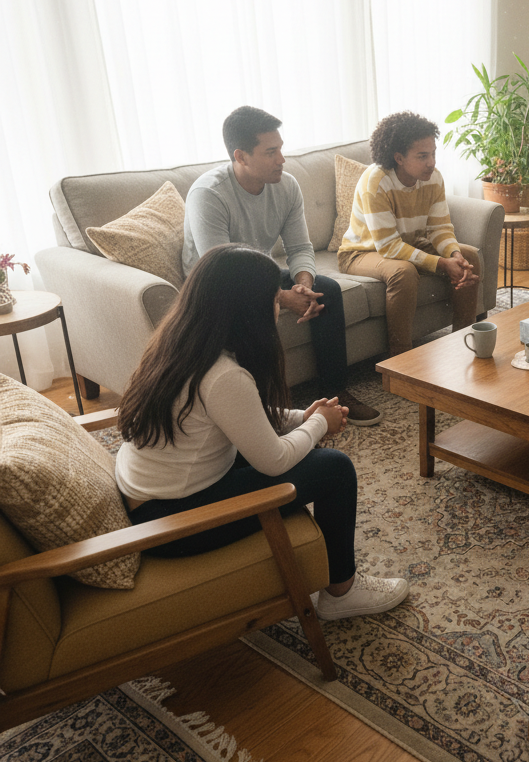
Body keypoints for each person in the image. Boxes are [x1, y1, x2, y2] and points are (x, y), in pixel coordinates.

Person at [116, 244, 408, 620]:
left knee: (295, 449)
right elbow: (274, 461)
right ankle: (342, 592)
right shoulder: (223, 375)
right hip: (176, 523)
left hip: (155, 499)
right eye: (273, 299)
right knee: (334, 469)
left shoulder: (179, 343)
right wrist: (320, 424)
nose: (278, 308)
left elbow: (238, 417)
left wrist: (303, 416)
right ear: (246, 311)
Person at [183, 105, 381, 426]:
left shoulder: (286, 186)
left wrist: (303, 284)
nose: (282, 160)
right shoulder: (209, 195)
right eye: (271, 152)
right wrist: (282, 297)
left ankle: (334, 394)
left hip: (257, 272)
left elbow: (300, 247)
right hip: (214, 284)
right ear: (241, 156)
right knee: (250, 312)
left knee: (326, 290)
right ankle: (262, 415)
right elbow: (223, 270)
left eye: (281, 149)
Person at [337, 111, 481, 357]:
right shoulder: (376, 181)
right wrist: (442, 264)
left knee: (470, 256)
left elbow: (440, 229)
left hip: (408, 244)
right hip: (361, 253)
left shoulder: (433, 178)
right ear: (399, 158)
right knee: (403, 272)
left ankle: (462, 343)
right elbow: (388, 247)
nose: (432, 162)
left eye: (433, 153)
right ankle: (401, 360)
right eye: (423, 156)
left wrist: (455, 255)